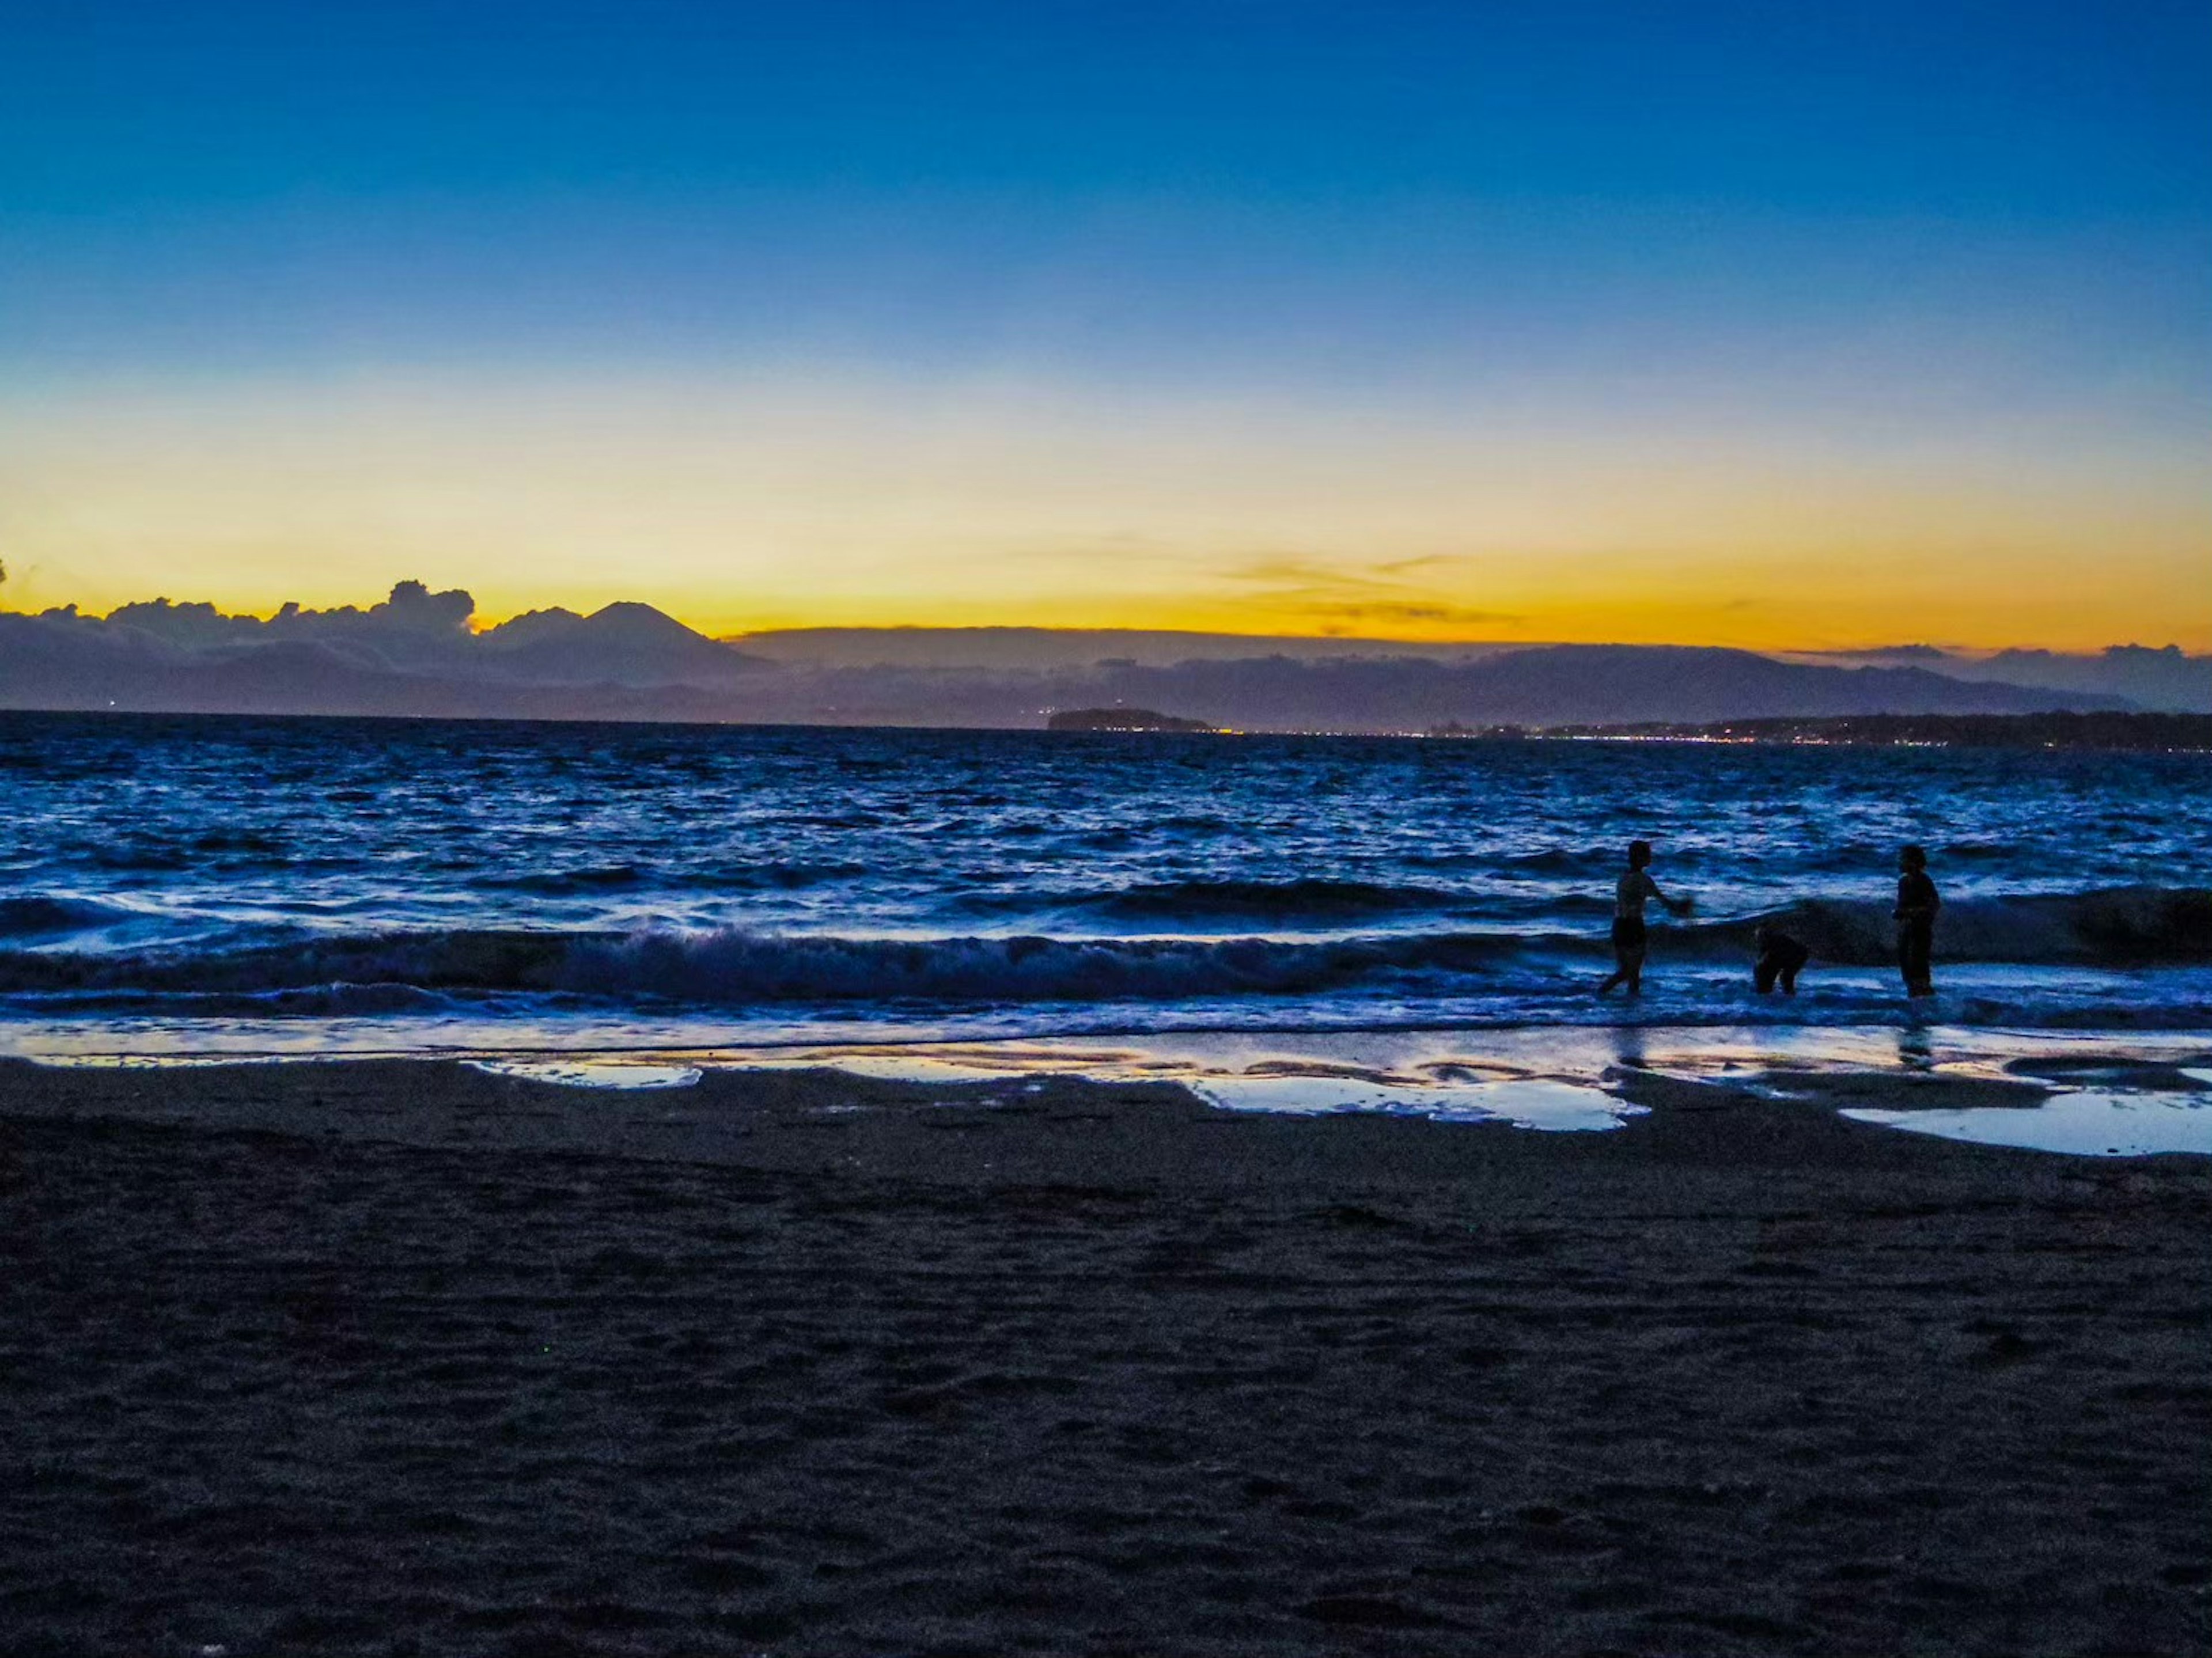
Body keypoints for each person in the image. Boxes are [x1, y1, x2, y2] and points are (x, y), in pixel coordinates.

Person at [1598, 840, 1692, 996]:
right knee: (1633, 973)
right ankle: (1616, 996)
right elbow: (1666, 904)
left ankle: (1605, 994)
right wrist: (1683, 907)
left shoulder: (1623, 878)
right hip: (1634, 926)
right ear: (1641, 858)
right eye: (1648, 855)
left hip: (1619, 925)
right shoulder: (1644, 880)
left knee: (1625, 970)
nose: (1651, 858)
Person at [1894, 844, 1941, 997]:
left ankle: (1925, 999)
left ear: (1912, 862)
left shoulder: (1924, 881)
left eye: (1903, 859)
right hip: (1906, 930)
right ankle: (1914, 999)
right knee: (1906, 966)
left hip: (1920, 930)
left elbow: (1934, 904)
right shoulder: (1903, 882)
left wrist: (1914, 912)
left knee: (1919, 966)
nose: (1900, 863)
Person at [1753, 922, 1810, 995]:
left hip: (1797, 955)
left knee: (1786, 978)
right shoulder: (1768, 946)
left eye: (1761, 936)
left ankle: (1789, 995)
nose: (1758, 940)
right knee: (1781, 978)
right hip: (1791, 955)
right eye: (1758, 937)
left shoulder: (1777, 943)